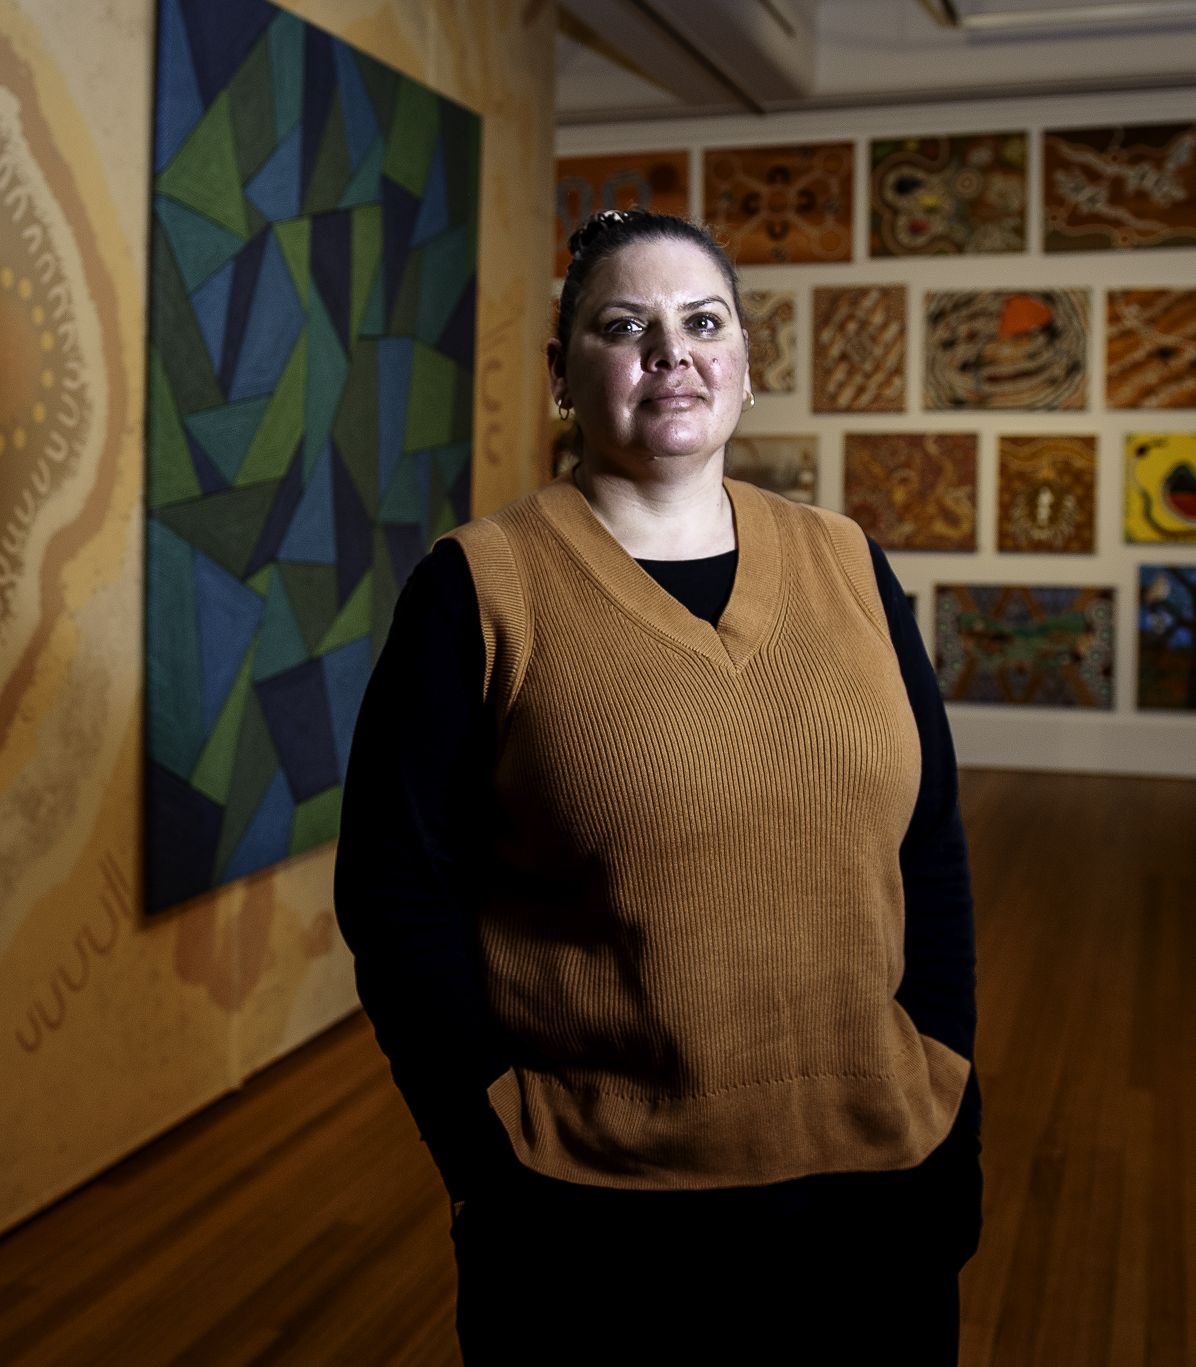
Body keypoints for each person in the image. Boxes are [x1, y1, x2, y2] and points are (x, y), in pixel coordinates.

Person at [333, 209, 981, 1363]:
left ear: (743, 361)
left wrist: (944, 1072)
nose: (668, 352)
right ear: (564, 375)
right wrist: (486, 1149)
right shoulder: (477, 589)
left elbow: (925, 842)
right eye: (622, 324)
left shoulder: (845, 560)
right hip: (598, 1213)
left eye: (701, 321)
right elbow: (394, 889)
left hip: (877, 1178)